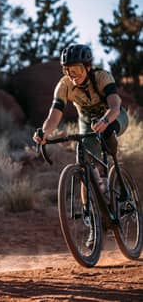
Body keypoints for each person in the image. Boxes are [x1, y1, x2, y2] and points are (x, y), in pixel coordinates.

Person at [33, 44, 129, 247]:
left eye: (75, 69)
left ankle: (118, 185)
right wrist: (44, 132)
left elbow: (115, 105)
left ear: (87, 66)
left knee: (108, 131)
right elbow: (55, 114)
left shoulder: (102, 77)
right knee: (85, 166)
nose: (72, 74)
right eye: (67, 70)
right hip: (87, 121)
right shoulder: (64, 85)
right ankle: (94, 223)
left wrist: (106, 120)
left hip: (113, 115)